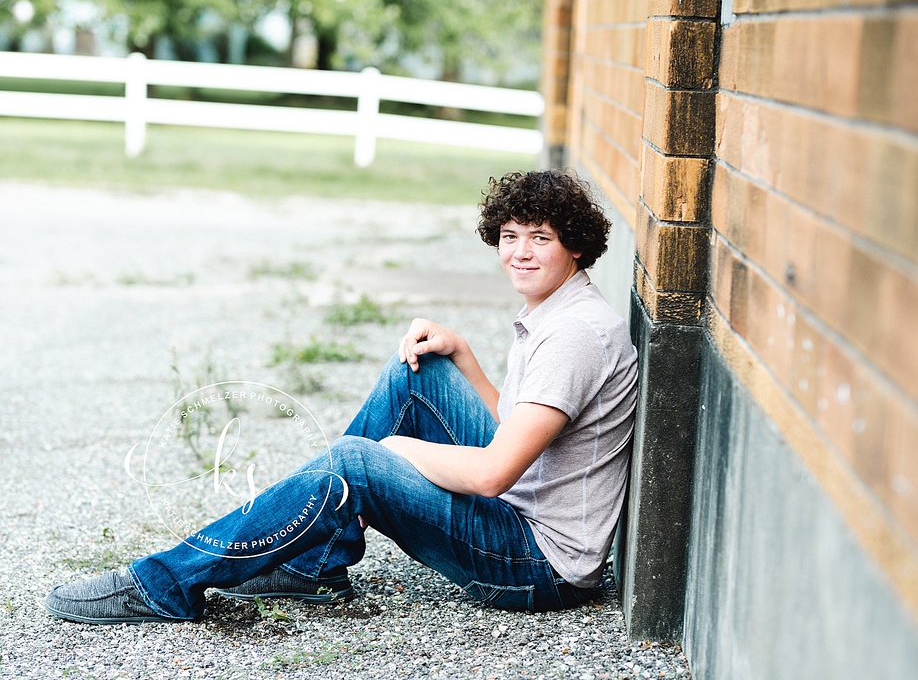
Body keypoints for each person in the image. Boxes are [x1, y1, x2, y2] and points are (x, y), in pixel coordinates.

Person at [44, 170, 638, 624]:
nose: (521, 252)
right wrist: (463, 356)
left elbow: (492, 474)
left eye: (542, 238)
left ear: (577, 246)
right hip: (524, 508)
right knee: (414, 374)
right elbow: (519, 425)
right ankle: (314, 561)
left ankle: (163, 585)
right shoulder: (562, 312)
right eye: (510, 237)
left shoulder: (573, 336)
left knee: (357, 460)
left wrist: (395, 452)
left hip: (538, 563)